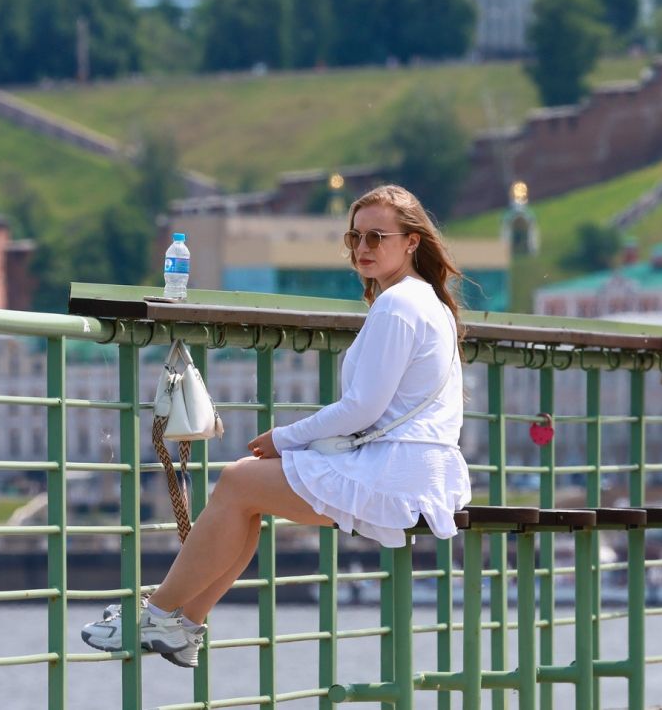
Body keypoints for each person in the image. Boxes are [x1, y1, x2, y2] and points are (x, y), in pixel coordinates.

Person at [81, 184, 472, 666]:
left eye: (376, 237)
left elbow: (363, 408)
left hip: (397, 474)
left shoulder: (398, 305)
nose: (363, 248)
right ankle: (183, 624)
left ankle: (160, 614)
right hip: (421, 472)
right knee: (245, 492)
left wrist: (284, 439)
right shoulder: (428, 302)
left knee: (238, 481)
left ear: (411, 242)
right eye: (354, 238)